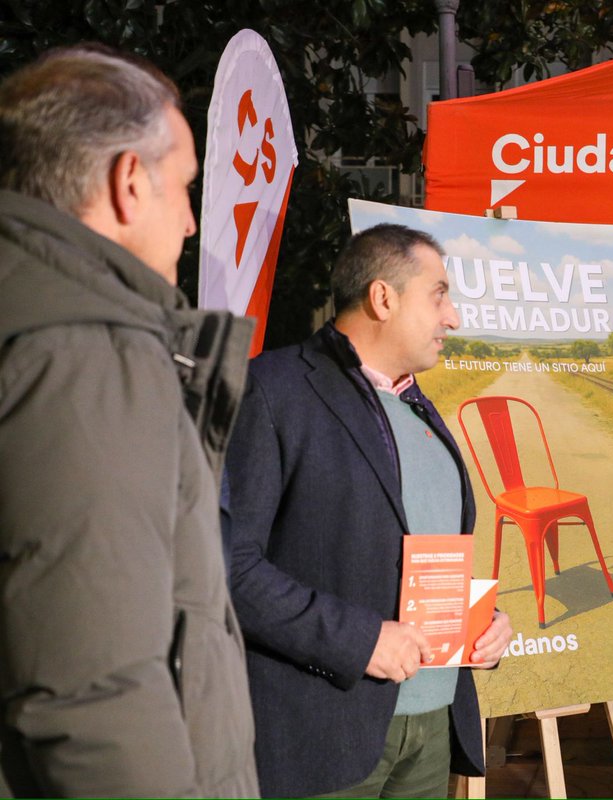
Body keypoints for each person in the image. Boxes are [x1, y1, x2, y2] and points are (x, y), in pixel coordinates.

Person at [0, 46, 258, 795]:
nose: (190, 222)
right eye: (185, 188)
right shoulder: (83, 352)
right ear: (129, 183)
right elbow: (95, 687)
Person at [225, 223, 513, 798]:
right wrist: (358, 641)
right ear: (383, 297)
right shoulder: (272, 390)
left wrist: (483, 623)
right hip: (322, 736)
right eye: (439, 295)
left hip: (433, 726)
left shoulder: (419, 407)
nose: (454, 318)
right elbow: (227, 566)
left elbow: (416, 548)